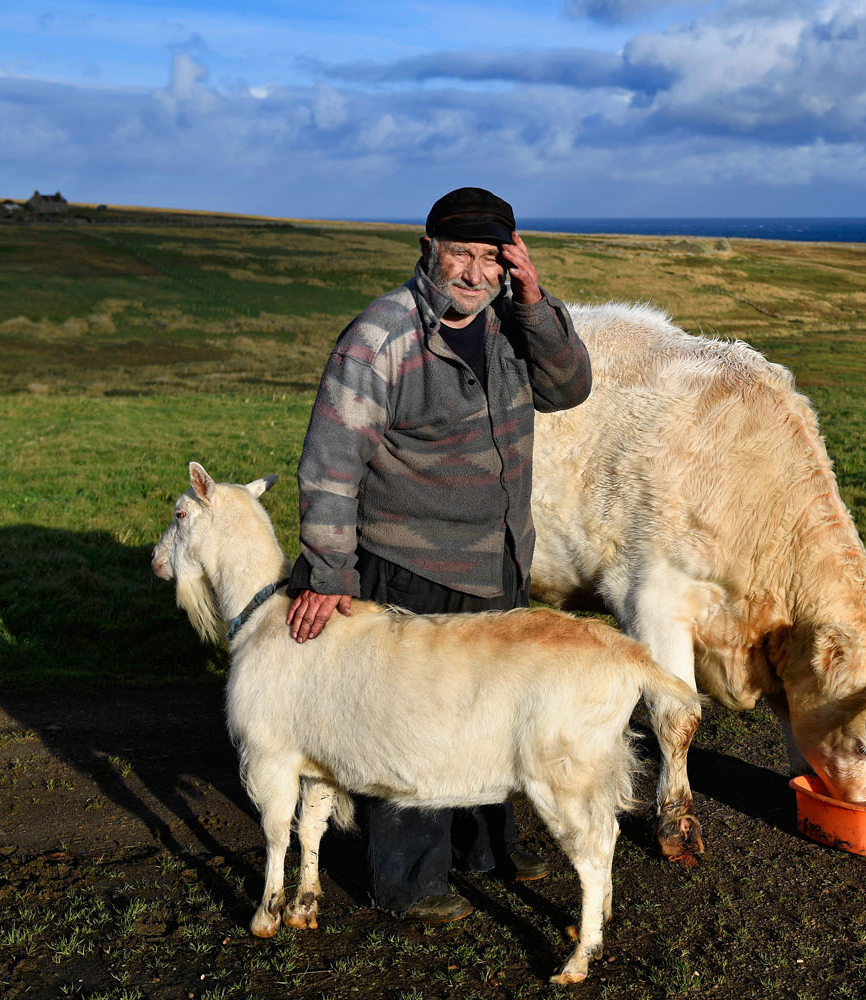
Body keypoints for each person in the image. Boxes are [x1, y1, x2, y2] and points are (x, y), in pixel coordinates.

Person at [285, 187, 592, 923]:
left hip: (500, 559)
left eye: (493, 257)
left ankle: (484, 846)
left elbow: (570, 387)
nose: (475, 272)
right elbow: (330, 465)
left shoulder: (509, 325)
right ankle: (409, 883)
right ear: (428, 250)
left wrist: (534, 301)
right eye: (462, 253)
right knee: (410, 725)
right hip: (410, 566)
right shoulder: (380, 337)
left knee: (488, 713)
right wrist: (329, 576)